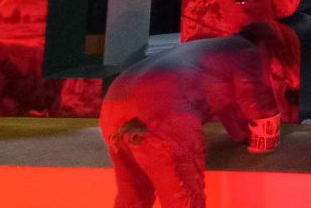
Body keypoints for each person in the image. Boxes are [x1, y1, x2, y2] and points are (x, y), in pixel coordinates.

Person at [99, 24, 282, 208]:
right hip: (163, 111)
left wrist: (244, 136)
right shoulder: (246, 51)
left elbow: (228, 108)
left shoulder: (215, 48)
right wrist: (267, 142)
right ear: (266, 45)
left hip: (114, 105)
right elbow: (257, 101)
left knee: (133, 193)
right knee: (183, 198)